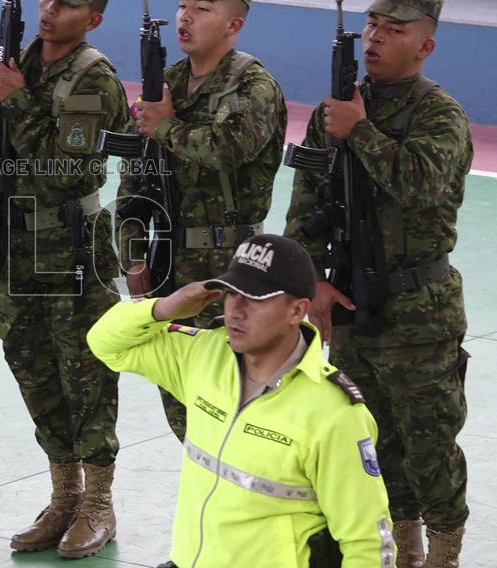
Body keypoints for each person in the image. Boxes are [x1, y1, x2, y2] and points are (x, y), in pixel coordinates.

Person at [284, 0, 472, 568]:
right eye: (371, 26)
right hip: (349, 304)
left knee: (429, 440)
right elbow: (304, 203)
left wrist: (359, 131)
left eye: (395, 29)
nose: (376, 37)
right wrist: (310, 280)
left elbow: (420, 185)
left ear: (425, 47)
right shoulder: (331, 113)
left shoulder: (440, 114)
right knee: (367, 437)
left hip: (420, 308)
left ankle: (444, 550)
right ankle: (400, 544)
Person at [0, 0, 129, 558]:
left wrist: (21, 103)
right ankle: (63, 496)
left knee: (85, 373)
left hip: (70, 246)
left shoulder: (93, 78)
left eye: (67, 4)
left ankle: (98, 502)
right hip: (14, 244)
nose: (51, 11)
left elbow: (66, 169)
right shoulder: (13, 65)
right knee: (32, 367)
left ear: (94, 18)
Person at [88, 234, 396, 567]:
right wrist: (163, 307)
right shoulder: (204, 355)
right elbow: (105, 344)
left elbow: (367, 544)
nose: (235, 310)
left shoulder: (334, 414)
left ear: (297, 311)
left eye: (255, 298)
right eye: (232, 293)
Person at [119, 0, 287, 443]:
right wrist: (132, 258)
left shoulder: (253, 88)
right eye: (183, 6)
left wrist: (165, 125)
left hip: (231, 268)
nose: (186, 17)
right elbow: (135, 182)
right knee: (183, 411)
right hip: (168, 263)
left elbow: (226, 150)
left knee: (237, 411)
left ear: (234, 23)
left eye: (203, 8)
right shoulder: (166, 83)